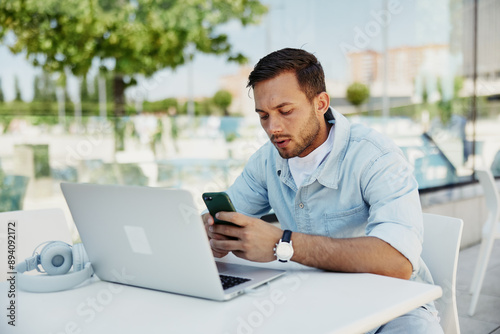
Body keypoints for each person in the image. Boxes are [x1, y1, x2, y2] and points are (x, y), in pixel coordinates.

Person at [202, 48, 443, 333]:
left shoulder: (376, 157)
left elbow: (398, 263)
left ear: (321, 103)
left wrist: (282, 244)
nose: (273, 127)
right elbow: (226, 220)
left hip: (394, 307)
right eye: (263, 115)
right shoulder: (266, 160)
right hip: (311, 300)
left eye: (285, 111)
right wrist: (213, 232)